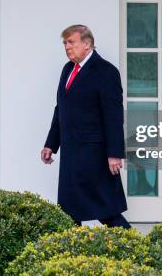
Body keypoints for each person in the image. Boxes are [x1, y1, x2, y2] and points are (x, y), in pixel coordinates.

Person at [41, 24, 130, 228]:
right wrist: (51, 145)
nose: (67, 47)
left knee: (107, 212)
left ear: (87, 44)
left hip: (94, 155)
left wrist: (115, 154)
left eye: (71, 42)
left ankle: (140, 251)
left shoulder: (106, 72)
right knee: (68, 212)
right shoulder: (67, 69)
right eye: (65, 43)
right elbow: (61, 109)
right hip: (71, 154)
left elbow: (114, 116)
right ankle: (70, 256)